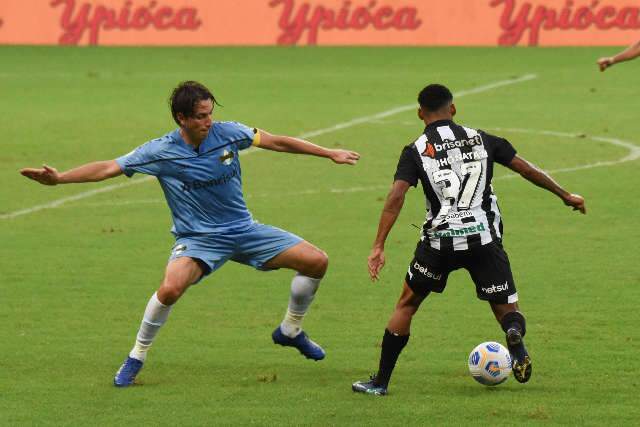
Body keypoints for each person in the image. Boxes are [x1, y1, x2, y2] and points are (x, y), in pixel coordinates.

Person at [21, 80, 360, 387]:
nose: (208, 121)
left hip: (243, 229)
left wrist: (329, 152)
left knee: (317, 261)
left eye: (210, 114)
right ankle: (137, 355)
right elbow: (109, 167)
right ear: (181, 118)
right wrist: (60, 178)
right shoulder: (160, 151)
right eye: (200, 116)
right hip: (199, 239)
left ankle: (290, 330)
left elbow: (277, 142)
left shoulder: (229, 134)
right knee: (170, 289)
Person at [352, 84, 585, 396]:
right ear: (454, 109)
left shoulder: (416, 150)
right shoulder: (483, 139)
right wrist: (565, 194)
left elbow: (396, 196)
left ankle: (380, 382)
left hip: (438, 243)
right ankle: (514, 334)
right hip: (483, 237)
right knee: (506, 307)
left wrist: (379, 244)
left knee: (407, 303)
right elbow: (527, 169)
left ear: (420, 113)